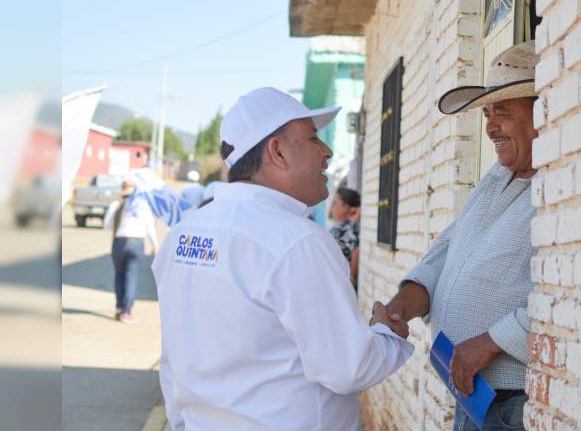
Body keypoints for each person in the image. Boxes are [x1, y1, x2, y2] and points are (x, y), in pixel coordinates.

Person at [151, 87, 413, 431]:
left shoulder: (183, 234)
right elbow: (347, 367)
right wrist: (388, 335)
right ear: (277, 152)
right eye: (313, 138)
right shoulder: (297, 242)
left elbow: (174, 360)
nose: (328, 151)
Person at [373, 41, 540, 431]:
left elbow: (567, 299)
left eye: (503, 111)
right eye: (487, 113)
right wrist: (398, 310)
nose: (490, 126)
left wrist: (490, 342)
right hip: (474, 393)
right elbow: (444, 254)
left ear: (543, 111)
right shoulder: (497, 177)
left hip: (514, 401)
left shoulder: (564, 184)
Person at [103, 180, 159, 323]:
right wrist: (155, 245)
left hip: (119, 241)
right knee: (131, 275)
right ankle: (126, 312)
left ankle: (119, 307)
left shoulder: (116, 205)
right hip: (136, 242)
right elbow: (150, 227)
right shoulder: (141, 205)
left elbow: (106, 226)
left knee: (119, 275)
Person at [328, 187, 361, 288]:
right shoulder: (350, 227)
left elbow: (357, 251)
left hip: (339, 285)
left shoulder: (344, 230)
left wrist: (351, 278)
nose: (332, 207)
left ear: (346, 207)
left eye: (335, 203)